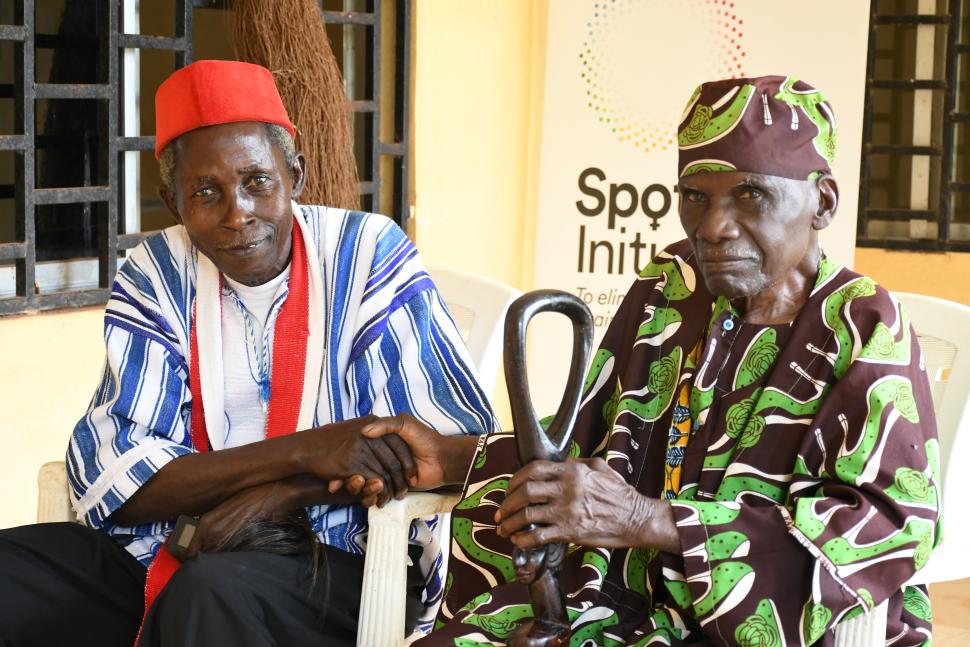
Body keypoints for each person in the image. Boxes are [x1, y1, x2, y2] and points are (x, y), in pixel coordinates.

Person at [368, 75, 941, 646]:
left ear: (823, 202)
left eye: (751, 195)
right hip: (613, 602)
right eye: (696, 197)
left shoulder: (864, 326)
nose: (713, 227)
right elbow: (595, 449)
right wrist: (454, 457)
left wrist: (647, 521)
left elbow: (887, 526)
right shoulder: (672, 287)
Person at [0, 60, 494, 647]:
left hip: (346, 557)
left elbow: (440, 449)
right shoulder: (155, 272)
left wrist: (279, 495)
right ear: (172, 201)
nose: (238, 214)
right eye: (206, 192)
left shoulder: (367, 254)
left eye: (257, 180)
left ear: (296, 174)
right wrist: (309, 451)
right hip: (174, 541)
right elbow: (125, 481)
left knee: (209, 591)